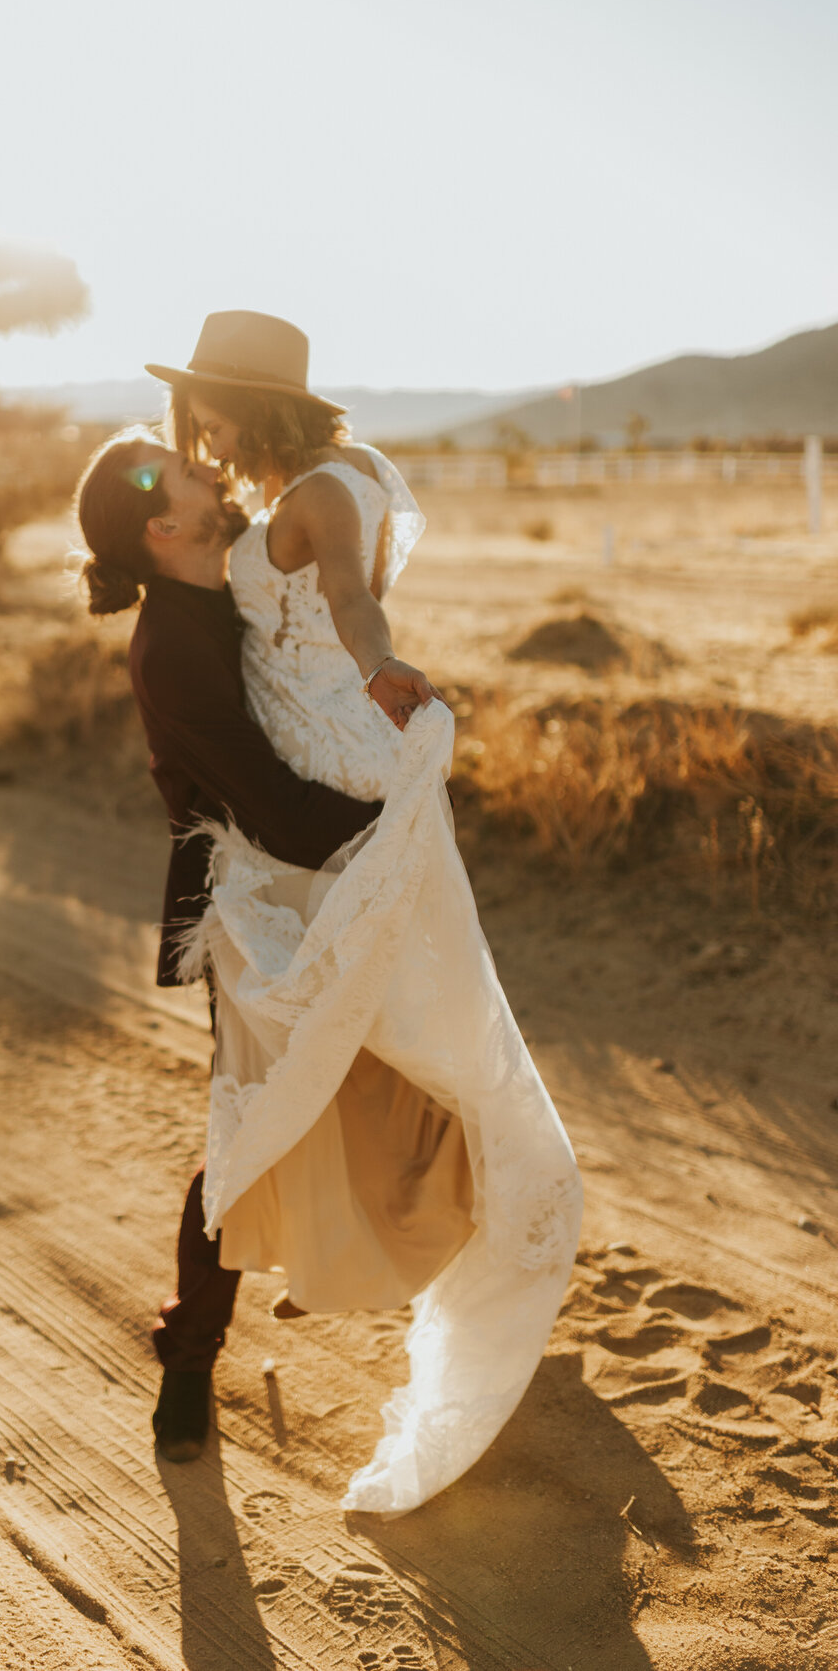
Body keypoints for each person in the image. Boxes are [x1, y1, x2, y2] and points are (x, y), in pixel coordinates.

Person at [141, 311, 583, 1516]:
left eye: (211, 409)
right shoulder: (302, 483)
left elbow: (346, 599)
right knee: (291, 1082)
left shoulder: (324, 495)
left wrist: (381, 665)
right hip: (270, 843)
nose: (201, 432)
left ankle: (490, 1252)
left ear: (257, 403)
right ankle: (197, 1354)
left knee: (370, 1066)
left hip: (327, 824)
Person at [75, 425, 382, 1462]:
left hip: (315, 872)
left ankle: (369, 1264)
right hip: (253, 899)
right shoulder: (173, 644)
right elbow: (272, 804)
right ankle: (190, 1355)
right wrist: (403, 824)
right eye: (187, 471)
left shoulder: (245, 580)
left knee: (391, 1078)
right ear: (164, 526)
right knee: (250, 1127)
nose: (209, 468)